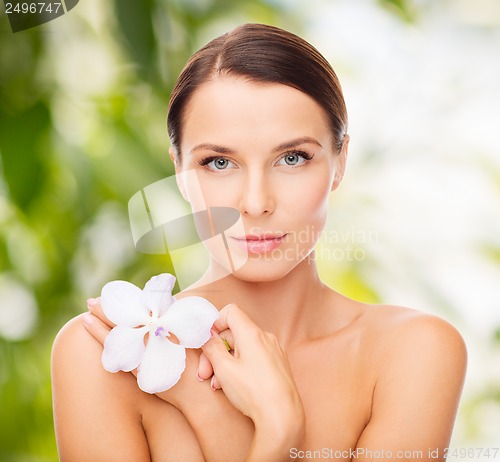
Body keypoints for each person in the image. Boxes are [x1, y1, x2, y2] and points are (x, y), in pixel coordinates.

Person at [51, 23, 467, 461]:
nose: (254, 203)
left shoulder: (414, 352)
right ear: (178, 170)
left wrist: (250, 420)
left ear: (340, 161)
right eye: (218, 162)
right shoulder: (105, 355)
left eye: (292, 158)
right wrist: (271, 429)